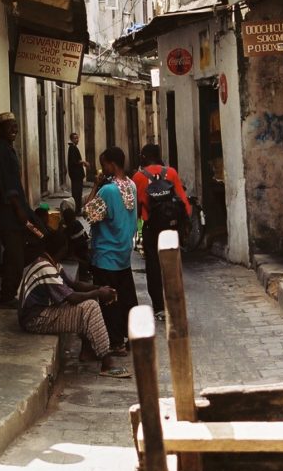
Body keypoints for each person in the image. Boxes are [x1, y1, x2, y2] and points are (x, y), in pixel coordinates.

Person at [18, 233, 130, 378]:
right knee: (90, 306)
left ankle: (88, 351)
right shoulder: (45, 267)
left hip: (42, 312)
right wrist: (98, 292)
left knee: (90, 302)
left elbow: (74, 284)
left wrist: (99, 288)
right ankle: (107, 362)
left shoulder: (51, 262)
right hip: (34, 319)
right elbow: (71, 297)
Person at [0, 112, 45, 308]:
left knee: (39, 237)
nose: (14, 129)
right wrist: (20, 211)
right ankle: (7, 295)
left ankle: (6, 269)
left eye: (15, 126)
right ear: (1, 129)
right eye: (10, 126)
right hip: (9, 214)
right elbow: (7, 186)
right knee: (16, 256)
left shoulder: (9, 150)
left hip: (19, 211)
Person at [84, 146, 138, 354]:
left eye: (103, 164)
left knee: (110, 302)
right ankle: (131, 337)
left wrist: (95, 186)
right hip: (123, 254)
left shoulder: (107, 190)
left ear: (111, 164)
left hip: (106, 255)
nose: (101, 169)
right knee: (126, 299)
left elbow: (88, 213)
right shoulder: (131, 185)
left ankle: (116, 342)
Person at [132, 143, 191, 321]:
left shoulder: (138, 177)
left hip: (151, 229)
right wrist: (183, 225)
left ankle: (159, 308)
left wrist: (136, 230)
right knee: (172, 266)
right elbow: (183, 202)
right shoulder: (171, 173)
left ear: (144, 157)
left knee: (153, 268)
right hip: (171, 228)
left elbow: (136, 208)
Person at [60, 197, 92, 281]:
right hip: (83, 250)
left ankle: (83, 274)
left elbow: (64, 239)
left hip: (77, 252)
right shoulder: (78, 223)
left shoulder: (69, 228)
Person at [67, 132, 89, 214]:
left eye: (77, 138)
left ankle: (77, 209)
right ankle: (77, 210)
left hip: (76, 175)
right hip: (76, 175)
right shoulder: (72, 148)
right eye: (75, 138)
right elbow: (74, 161)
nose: (77, 140)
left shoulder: (73, 148)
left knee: (78, 192)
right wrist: (83, 162)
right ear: (72, 139)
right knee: (77, 193)